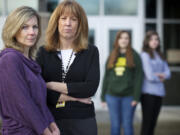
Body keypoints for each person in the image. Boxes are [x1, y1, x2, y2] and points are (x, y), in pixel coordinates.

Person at [36, 0, 100, 135]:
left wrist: (52, 85)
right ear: (56, 22)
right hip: (52, 121)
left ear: (80, 24)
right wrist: (75, 98)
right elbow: (38, 90)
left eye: (73, 19)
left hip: (83, 120)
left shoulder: (91, 51)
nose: (68, 23)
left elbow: (90, 88)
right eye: (63, 18)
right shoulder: (43, 52)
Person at [0, 6, 60, 135]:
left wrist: (51, 123)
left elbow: (38, 100)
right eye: (24, 27)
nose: (32, 32)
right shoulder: (9, 59)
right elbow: (23, 103)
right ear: (14, 30)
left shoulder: (30, 62)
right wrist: (47, 132)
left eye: (35, 27)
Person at [101, 30, 143, 135]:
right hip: (112, 96)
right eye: (121, 38)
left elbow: (139, 77)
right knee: (115, 125)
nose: (123, 40)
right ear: (117, 40)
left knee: (127, 124)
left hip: (128, 96)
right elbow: (106, 77)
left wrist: (136, 97)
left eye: (126, 38)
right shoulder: (112, 55)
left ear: (129, 40)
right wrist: (103, 96)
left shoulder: (134, 55)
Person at [140, 31, 171, 135]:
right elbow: (149, 76)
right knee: (147, 123)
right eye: (151, 39)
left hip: (159, 93)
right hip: (148, 94)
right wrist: (161, 77)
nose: (154, 42)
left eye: (156, 39)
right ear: (147, 41)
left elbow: (168, 73)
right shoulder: (144, 55)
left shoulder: (160, 55)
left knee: (153, 123)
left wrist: (160, 75)